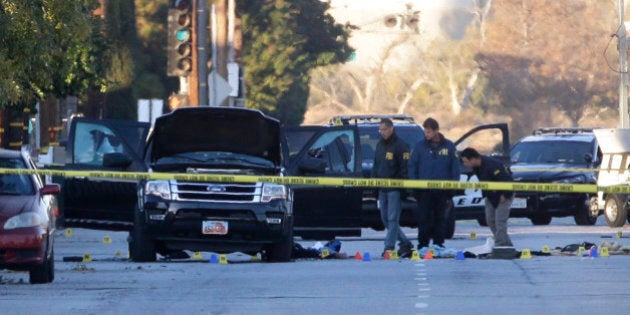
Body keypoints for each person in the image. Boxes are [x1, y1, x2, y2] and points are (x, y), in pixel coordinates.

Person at [408, 118, 460, 250]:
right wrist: (414, 187)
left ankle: (438, 243)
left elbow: (455, 169)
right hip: (424, 190)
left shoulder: (449, 146)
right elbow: (412, 166)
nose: (427, 135)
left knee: (440, 218)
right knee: (423, 218)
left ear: (436, 131)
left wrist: (452, 189)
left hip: (442, 190)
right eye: (425, 132)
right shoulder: (420, 147)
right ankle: (423, 244)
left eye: (429, 132)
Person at [371, 118, 414, 258]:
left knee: (392, 219)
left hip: (395, 189)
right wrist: (374, 186)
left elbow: (405, 168)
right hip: (382, 188)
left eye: (384, 129)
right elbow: (376, 167)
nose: (381, 132)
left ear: (391, 128)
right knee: (385, 219)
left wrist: (404, 189)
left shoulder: (401, 146)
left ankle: (389, 247)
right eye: (380, 129)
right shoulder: (379, 145)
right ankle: (405, 242)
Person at [460, 147, 514, 247]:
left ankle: (501, 245)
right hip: (491, 195)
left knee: (500, 221)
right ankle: (506, 243)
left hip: (504, 194)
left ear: (473, 159)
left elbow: (508, 181)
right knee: (490, 220)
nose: (465, 165)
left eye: (466, 161)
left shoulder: (492, 165)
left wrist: (505, 195)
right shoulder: (476, 167)